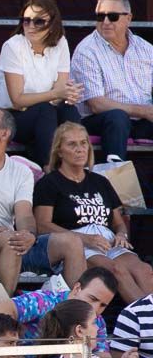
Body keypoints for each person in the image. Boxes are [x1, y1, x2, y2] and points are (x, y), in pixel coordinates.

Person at [0, 109, 87, 294]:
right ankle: (2, 314)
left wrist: (28, 234)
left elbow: (25, 214)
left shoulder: (21, 171)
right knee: (11, 240)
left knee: (72, 242)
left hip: (7, 241)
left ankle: (74, 312)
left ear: (5, 134)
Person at [35, 121, 153, 303]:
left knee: (145, 270)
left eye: (83, 143)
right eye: (72, 144)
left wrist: (121, 234)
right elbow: (42, 225)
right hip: (75, 242)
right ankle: (145, 320)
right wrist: (86, 239)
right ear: (59, 151)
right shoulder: (49, 183)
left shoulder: (100, 181)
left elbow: (118, 221)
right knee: (115, 270)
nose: (80, 149)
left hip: (107, 239)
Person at [0, 0, 83, 167]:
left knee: (69, 110)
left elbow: (59, 92)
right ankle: (49, 170)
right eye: (26, 20)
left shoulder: (61, 43)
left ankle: (76, 167)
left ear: (52, 24)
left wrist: (68, 95)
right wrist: (57, 93)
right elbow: (17, 100)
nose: (31, 26)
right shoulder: (13, 46)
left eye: (38, 21)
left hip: (43, 112)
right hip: (8, 115)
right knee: (45, 111)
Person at [70, 0, 153, 163]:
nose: (106, 22)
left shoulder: (145, 48)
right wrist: (144, 111)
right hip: (99, 120)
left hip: (141, 121)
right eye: (100, 16)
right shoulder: (87, 50)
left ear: (128, 18)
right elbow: (96, 104)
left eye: (113, 16)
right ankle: (116, 182)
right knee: (117, 117)